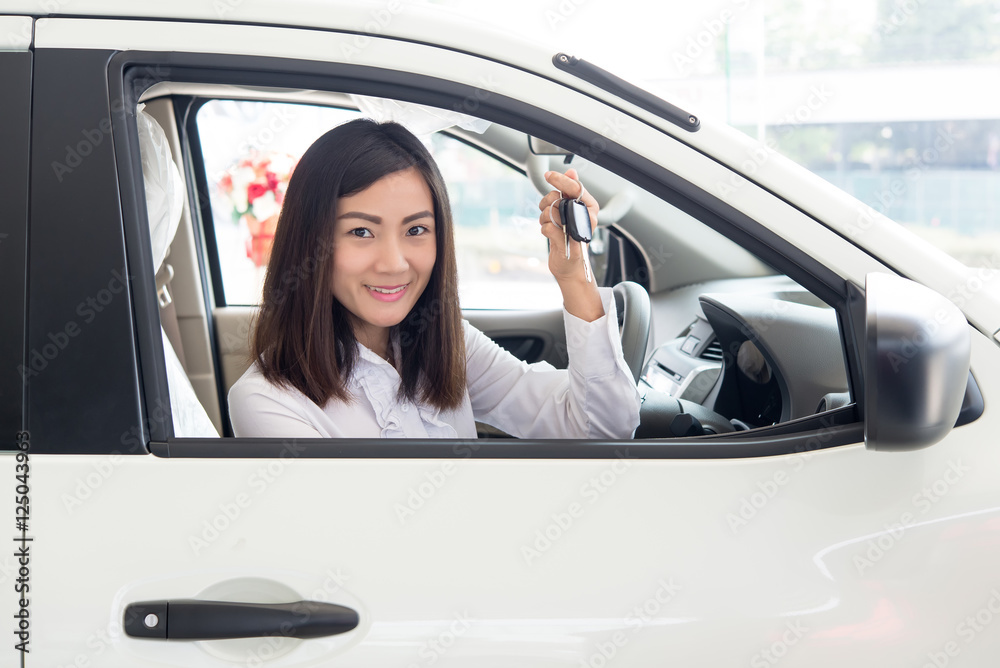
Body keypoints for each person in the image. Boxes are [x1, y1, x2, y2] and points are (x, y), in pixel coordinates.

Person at [228, 118, 641, 439]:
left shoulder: (445, 343)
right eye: (360, 232)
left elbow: (599, 428)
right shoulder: (269, 402)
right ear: (311, 240)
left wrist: (575, 277)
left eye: (415, 230)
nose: (393, 264)